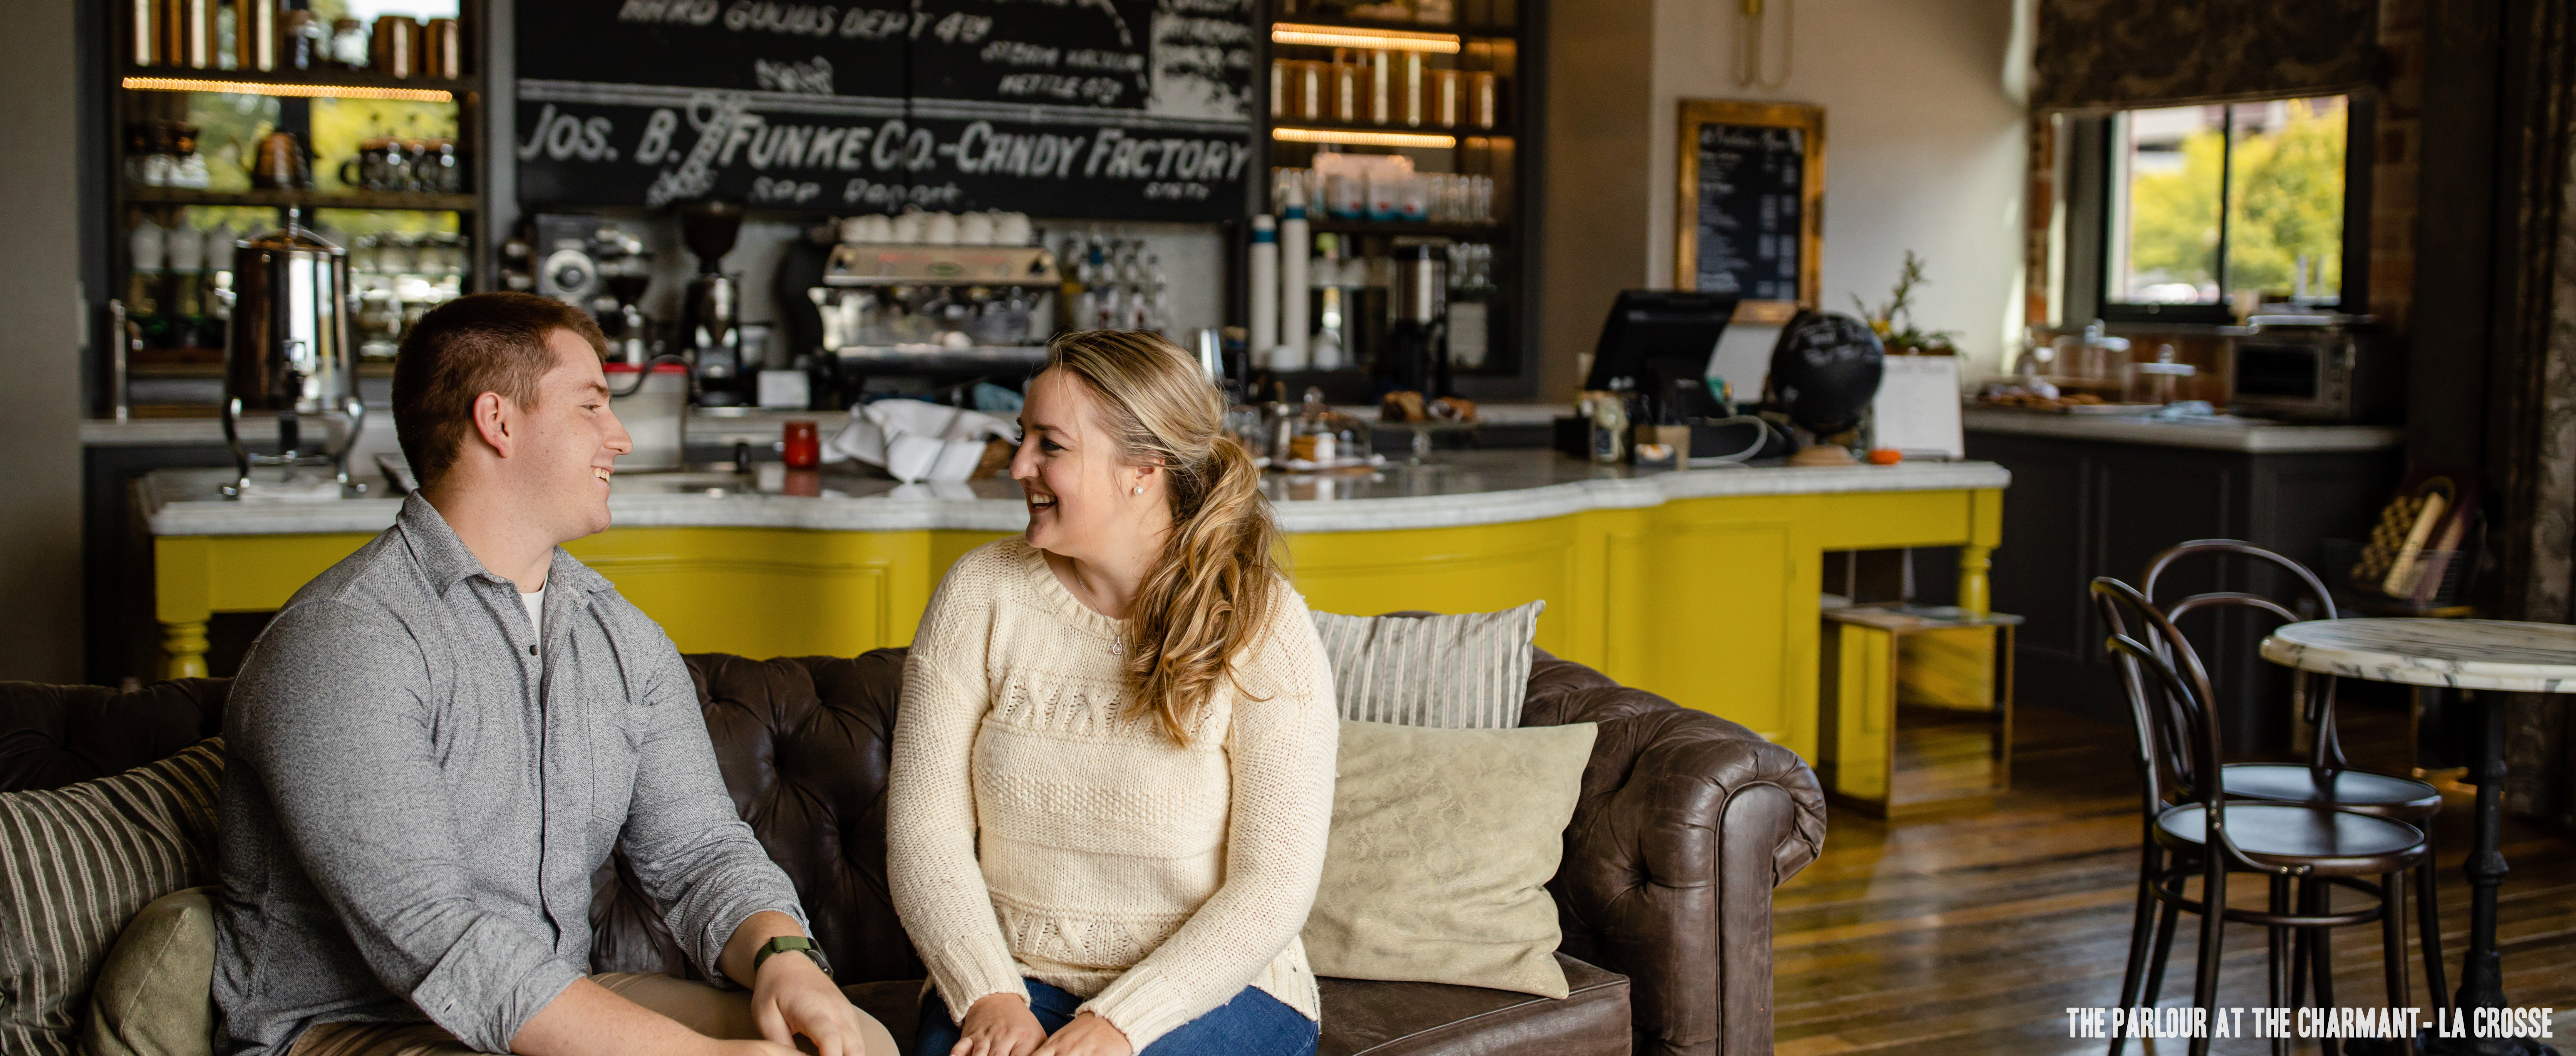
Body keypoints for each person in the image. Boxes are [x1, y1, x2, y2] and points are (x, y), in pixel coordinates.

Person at [213, 292, 899, 1056]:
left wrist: (784, 959)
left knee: (853, 1043)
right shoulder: (347, 640)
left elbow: (702, 854)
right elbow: (437, 936)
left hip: (557, 1002)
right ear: (498, 421)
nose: (622, 438)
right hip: (359, 1027)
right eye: (592, 406)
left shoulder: (619, 636)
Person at [888, 330, 1338, 1056]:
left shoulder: (1262, 620)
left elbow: (1273, 886)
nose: (1019, 466)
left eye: (1050, 445)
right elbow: (923, 833)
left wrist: (1120, 1023)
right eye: (1021, 437)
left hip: (1219, 986)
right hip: (1013, 976)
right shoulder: (980, 593)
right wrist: (988, 994)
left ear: (1143, 468)